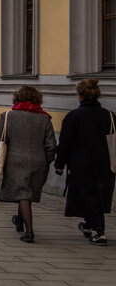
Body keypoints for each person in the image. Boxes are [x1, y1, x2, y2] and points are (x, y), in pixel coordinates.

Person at [54, 79, 115, 245]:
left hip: (81, 164)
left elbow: (65, 142)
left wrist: (59, 164)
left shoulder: (74, 116)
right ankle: (88, 226)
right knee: (98, 195)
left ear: (80, 97)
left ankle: (100, 232)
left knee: (88, 195)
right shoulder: (109, 115)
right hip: (105, 163)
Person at [0, 85, 56, 243]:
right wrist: (46, 160)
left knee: (23, 193)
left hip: (15, 160)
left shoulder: (8, 116)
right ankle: (19, 220)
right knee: (25, 192)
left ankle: (29, 231)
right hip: (38, 160)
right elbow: (51, 145)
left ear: (17, 98)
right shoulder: (44, 118)